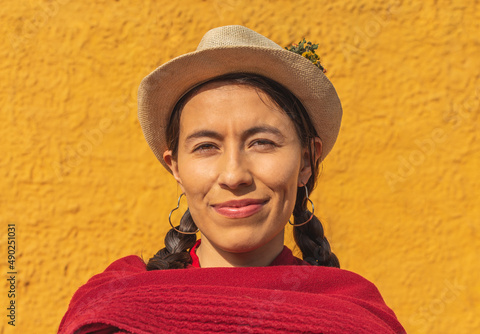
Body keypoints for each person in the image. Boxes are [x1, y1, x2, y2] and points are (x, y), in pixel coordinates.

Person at [59, 25, 406, 333]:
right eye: (206, 146)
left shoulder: (355, 317)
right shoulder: (113, 314)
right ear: (175, 167)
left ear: (306, 161)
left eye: (262, 143)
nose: (234, 175)